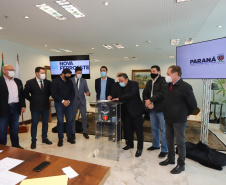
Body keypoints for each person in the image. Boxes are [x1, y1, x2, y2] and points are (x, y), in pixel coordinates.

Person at [159, 65, 197, 174]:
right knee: (169, 140)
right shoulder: (169, 85)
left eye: (168, 74)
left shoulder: (185, 87)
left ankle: (181, 164)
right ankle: (171, 159)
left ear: (175, 74)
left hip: (179, 120)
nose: (166, 76)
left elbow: (193, 105)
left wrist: (186, 113)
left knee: (180, 142)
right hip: (168, 118)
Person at [109, 73, 144, 157]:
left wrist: (119, 98)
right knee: (128, 129)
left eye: (121, 80)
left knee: (139, 130)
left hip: (135, 111)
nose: (120, 82)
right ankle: (130, 144)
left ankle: (140, 148)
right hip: (125, 111)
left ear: (126, 79)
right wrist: (111, 97)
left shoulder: (134, 84)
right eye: (119, 80)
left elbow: (131, 94)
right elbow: (115, 93)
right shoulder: (118, 85)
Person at [143, 65, 168, 158]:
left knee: (164, 130)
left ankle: (164, 149)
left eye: (154, 71)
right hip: (151, 109)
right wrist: (146, 101)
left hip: (161, 109)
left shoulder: (164, 80)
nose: (152, 73)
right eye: (151, 71)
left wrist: (151, 100)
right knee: (154, 128)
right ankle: (156, 145)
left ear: (159, 72)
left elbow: (162, 93)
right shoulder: (149, 82)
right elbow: (144, 93)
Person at [24, 67, 52, 149]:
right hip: (35, 107)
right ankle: (33, 140)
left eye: (44, 73)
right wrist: (32, 100)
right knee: (35, 124)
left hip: (45, 106)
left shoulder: (48, 82)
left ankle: (44, 138)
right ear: (37, 73)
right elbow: (25, 94)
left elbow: (49, 93)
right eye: (42, 73)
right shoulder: (29, 82)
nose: (44, 74)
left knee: (45, 123)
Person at [0, 65, 26, 149]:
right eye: (10, 70)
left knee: (15, 128)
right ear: (4, 71)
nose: (12, 71)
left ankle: (16, 145)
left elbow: (21, 95)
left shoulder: (18, 81)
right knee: (2, 130)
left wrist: (23, 105)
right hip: (3, 109)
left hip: (15, 108)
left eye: (13, 70)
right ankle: (2, 147)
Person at [51, 68, 75, 147]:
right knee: (60, 121)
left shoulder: (69, 81)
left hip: (69, 104)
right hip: (59, 104)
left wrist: (69, 101)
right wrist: (62, 101)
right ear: (63, 74)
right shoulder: (55, 81)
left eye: (70, 75)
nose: (69, 77)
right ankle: (60, 138)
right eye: (67, 75)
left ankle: (69, 137)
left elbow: (72, 92)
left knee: (69, 121)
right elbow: (54, 94)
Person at [95, 66, 115, 140]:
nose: (102, 72)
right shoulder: (97, 80)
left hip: (108, 103)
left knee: (109, 119)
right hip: (100, 103)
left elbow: (113, 91)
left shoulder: (111, 80)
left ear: (106, 71)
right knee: (99, 119)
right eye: (101, 70)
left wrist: (110, 96)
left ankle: (110, 134)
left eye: (104, 70)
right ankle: (100, 133)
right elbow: (97, 90)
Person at [71, 67, 90, 140]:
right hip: (73, 101)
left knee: (84, 117)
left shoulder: (84, 80)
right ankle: (73, 132)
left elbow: (86, 89)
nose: (80, 74)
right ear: (75, 73)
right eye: (78, 73)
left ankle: (85, 132)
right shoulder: (71, 80)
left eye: (81, 73)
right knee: (73, 118)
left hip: (82, 101)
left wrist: (88, 92)